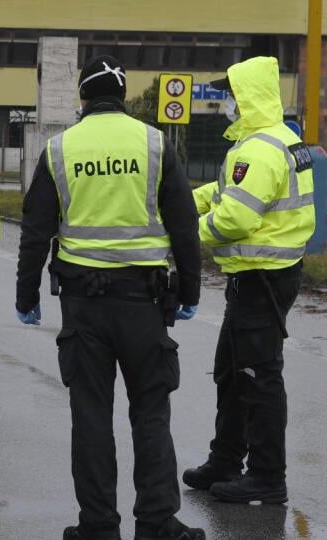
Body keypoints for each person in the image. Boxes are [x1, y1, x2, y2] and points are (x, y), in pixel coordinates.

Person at [15, 55, 204, 540]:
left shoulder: (60, 149)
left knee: (91, 418)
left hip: (84, 308)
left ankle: (98, 527)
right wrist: (190, 289)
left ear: (82, 97)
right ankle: (158, 523)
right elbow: (184, 225)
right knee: (151, 414)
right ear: (122, 96)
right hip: (144, 304)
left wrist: (26, 294)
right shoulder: (155, 143)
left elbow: (35, 230)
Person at [182, 56, 315, 505]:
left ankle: (266, 476)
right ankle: (225, 461)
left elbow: (235, 218)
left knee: (257, 378)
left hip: (262, 277)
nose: (227, 103)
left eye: (232, 94)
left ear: (250, 96)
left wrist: (183, 235)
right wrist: (183, 198)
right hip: (261, 277)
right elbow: (226, 194)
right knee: (232, 373)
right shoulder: (278, 140)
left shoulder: (258, 149)